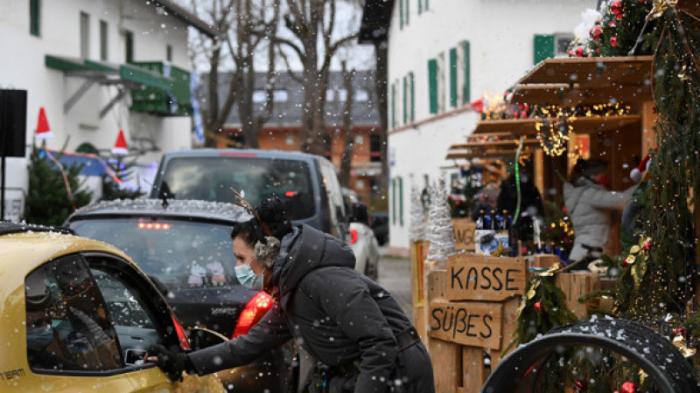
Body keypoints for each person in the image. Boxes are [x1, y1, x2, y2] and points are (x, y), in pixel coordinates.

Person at [148, 196, 435, 393]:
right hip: (368, 375)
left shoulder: (321, 280)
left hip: (400, 375)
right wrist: (186, 361)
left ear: (266, 252)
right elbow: (248, 345)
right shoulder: (292, 291)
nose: (237, 268)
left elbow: (379, 342)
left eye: (240, 258)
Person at [564, 159, 635, 265]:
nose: (604, 178)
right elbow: (622, 200)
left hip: (585, 253)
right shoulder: (589, 194)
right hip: (588, 255)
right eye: (602, 174)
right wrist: (643, 186)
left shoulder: (582, 192)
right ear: (593, 176)